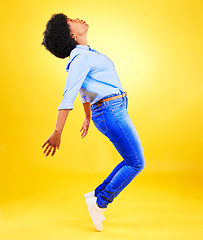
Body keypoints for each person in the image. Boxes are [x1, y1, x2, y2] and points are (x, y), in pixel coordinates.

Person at [41, 13, 145, 232]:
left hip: (111, 109)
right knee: (136, 163)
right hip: (110, 111)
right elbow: (69, 94)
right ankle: (101, 203)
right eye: (71, 21)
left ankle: (98, 195)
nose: (78, 18)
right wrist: (57, 130)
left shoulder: (86, 54)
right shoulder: (80, 59)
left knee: (130, 159)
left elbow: (85, 90)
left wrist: (87, 117)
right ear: (72, 34)